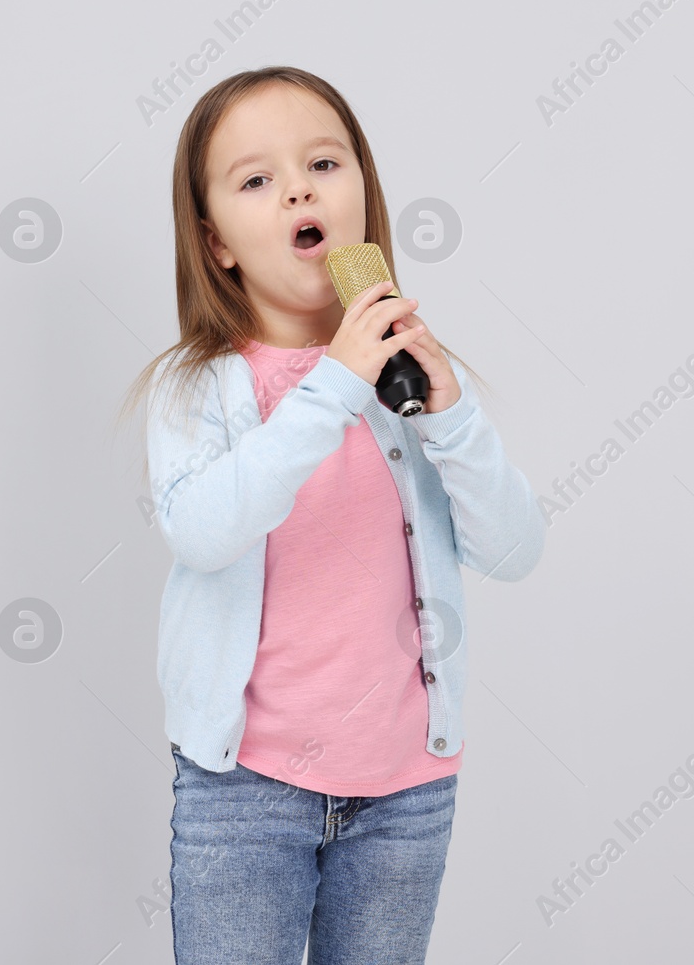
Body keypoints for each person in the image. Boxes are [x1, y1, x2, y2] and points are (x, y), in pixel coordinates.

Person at [116, 66, 547, 964]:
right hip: (247, 792)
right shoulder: (193, 386)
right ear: (217, 242)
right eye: (257, 180)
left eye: (324, 163)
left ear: (363, 199)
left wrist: (453, 416)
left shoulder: (407, 383)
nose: (300, 188)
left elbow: (513, 549)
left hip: (405, 790)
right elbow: (206, 530)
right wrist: (335, 384)